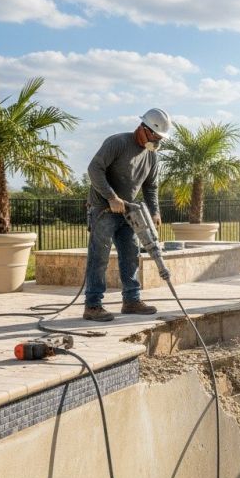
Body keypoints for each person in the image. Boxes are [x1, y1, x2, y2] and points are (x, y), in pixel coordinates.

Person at [83, 108, 171, 321]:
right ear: (144, 129)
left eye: (160, 139)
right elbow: (94, 169)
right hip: (103, 210)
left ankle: (131, 300)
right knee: (99, 257)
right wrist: (111, 197)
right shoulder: (118, 142)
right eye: (156, 137)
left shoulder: (152, 156)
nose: (157, 142)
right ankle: (93, 305)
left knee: (131, 255)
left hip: (128, 212)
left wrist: (155, 211)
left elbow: (151, 186)